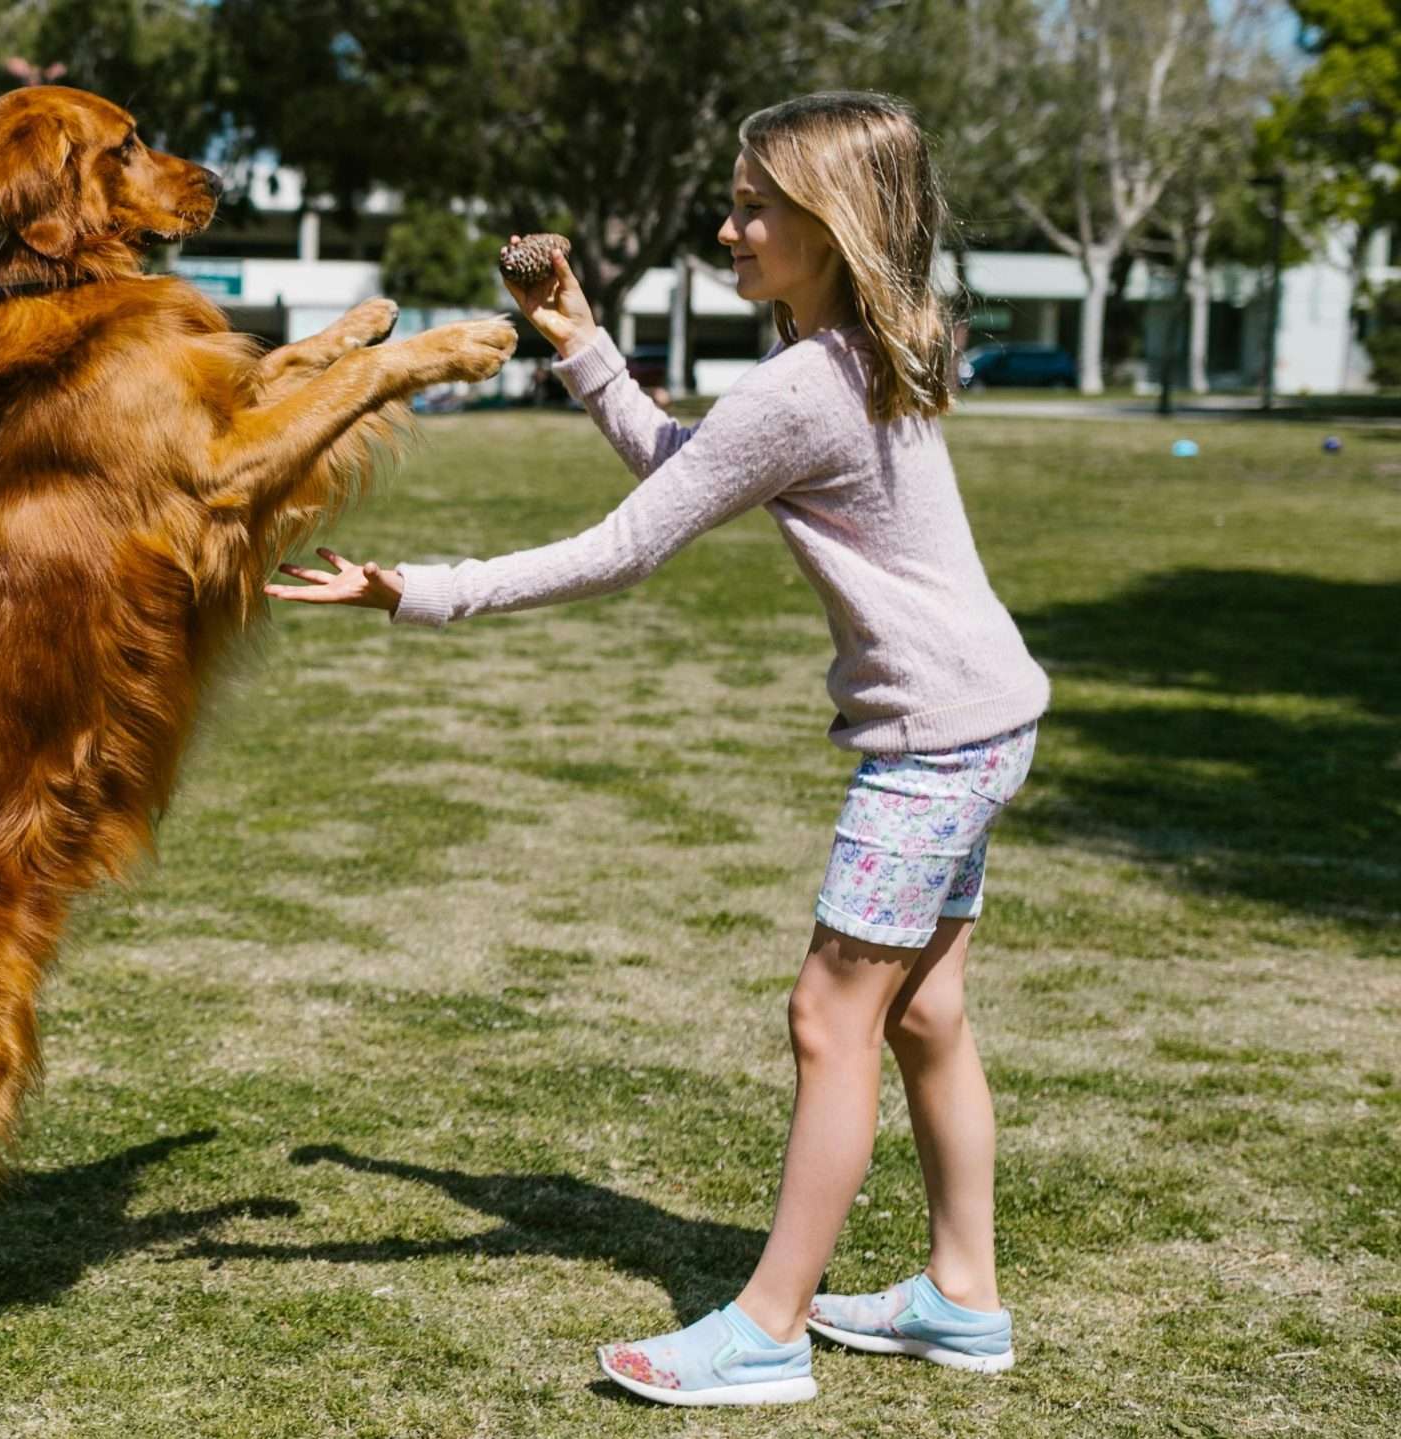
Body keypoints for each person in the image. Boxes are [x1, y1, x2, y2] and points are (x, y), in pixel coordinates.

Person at [266, 91, 1048, 1407]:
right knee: (924, 1012)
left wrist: (424, 591)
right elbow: (687, 468)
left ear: (829, 224)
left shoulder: (806, 380)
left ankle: (766, 1332)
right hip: (985, 718)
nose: (728, 229)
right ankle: (961, 1297)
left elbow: (631, 543)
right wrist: (581, 344)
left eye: (754, 209)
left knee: (832, 1017)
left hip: (933, 745)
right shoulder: (860, 354)